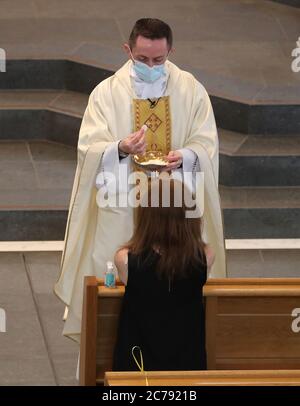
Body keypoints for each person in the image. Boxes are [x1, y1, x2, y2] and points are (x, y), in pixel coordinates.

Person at [54, 18, 226, 344]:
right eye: (143, 59)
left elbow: (207, 146)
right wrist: (119, 148)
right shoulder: (105, 94)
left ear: (170, 51)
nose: (151, 66)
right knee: (113, 289)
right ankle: (103, 363)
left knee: (175, 289)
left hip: (172, 211)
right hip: (120, 204)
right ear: (128, 50)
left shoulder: (191, 90)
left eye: (158, 60)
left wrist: (186, 157)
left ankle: (175, 357)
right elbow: (88, 150)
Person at [113, 178, 214, 371]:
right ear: (189, 217)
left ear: (146, 218)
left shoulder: (125, 260)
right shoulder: (205, 256)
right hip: (187, 365)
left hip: (138, 366)